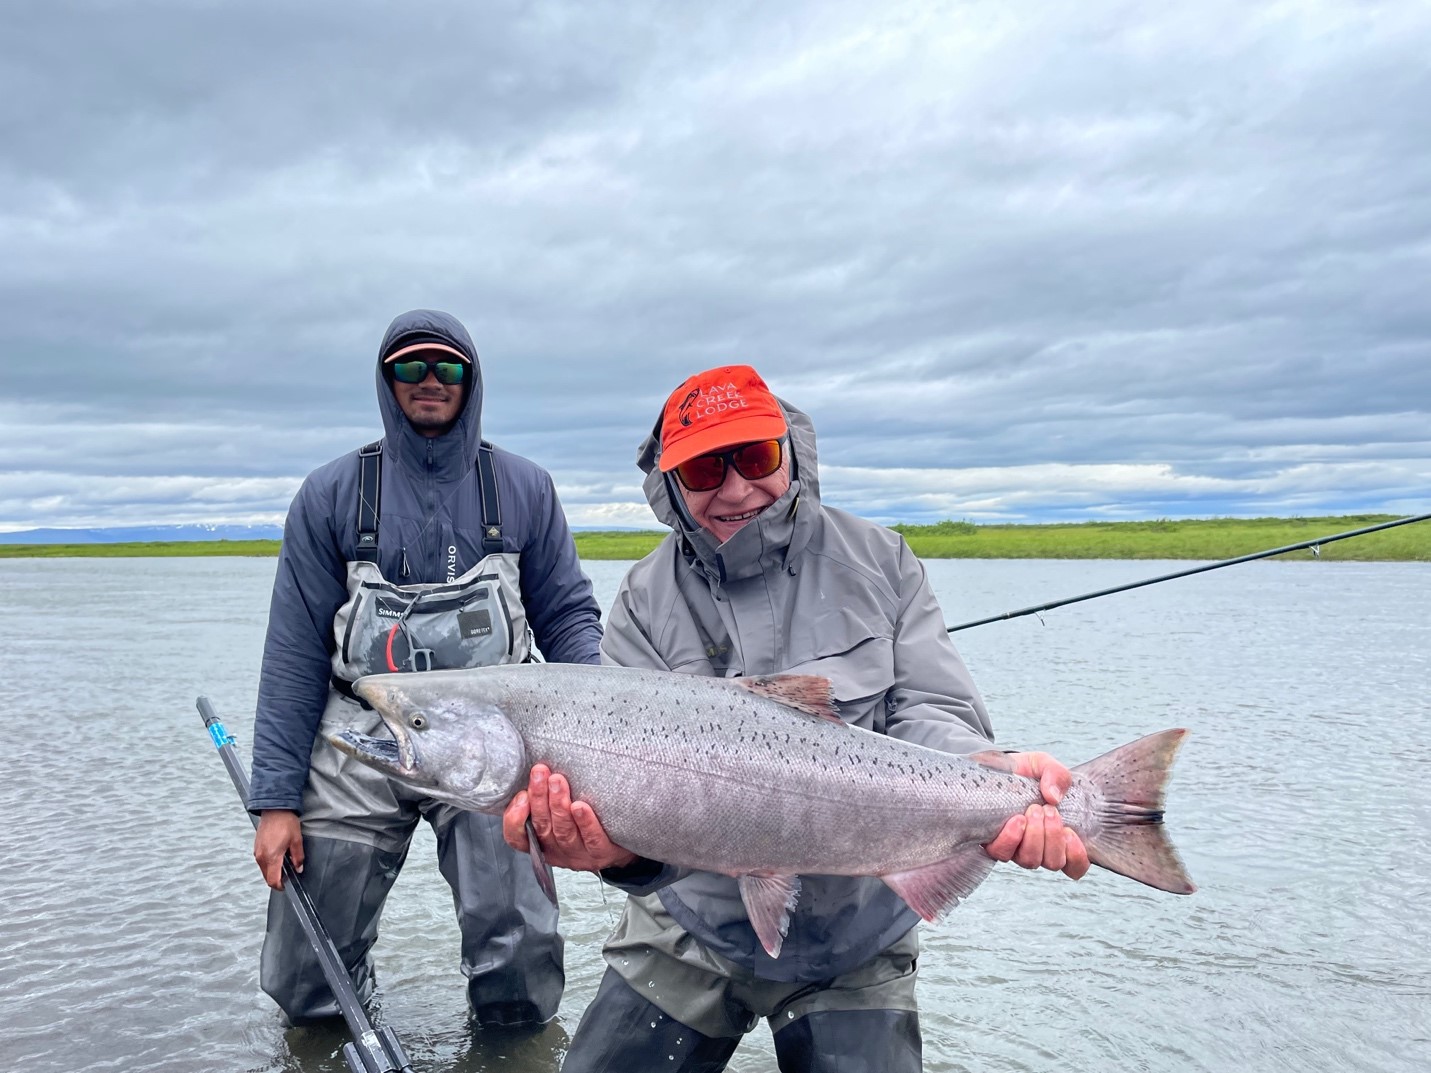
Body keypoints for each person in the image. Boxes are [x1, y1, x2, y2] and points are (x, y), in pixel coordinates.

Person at [503, 364, 1089, 1071]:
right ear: (670, 486)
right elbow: (630, 807)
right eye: (702, 470)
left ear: (790, 454)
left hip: (860, 929)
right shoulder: (642, 599)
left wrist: (984, 777)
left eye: (753, 458)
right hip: (691, 923)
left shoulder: (880, 560)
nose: (735, 488)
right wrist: (619, 857)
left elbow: (933, 708)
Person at [247, 308, 603, 1029]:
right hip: (361, 737)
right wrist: (275, 802)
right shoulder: (332, 493)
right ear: (387, 382)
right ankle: (338, 1019)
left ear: (471, 380)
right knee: (303, 976)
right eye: (410, 367)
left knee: (521, 963)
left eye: (447, 367)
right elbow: (292, 653)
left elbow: (568, 620)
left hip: (497, 741)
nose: (429, 381)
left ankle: (509, 1040)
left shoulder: (524, 487)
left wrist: (602, 749)